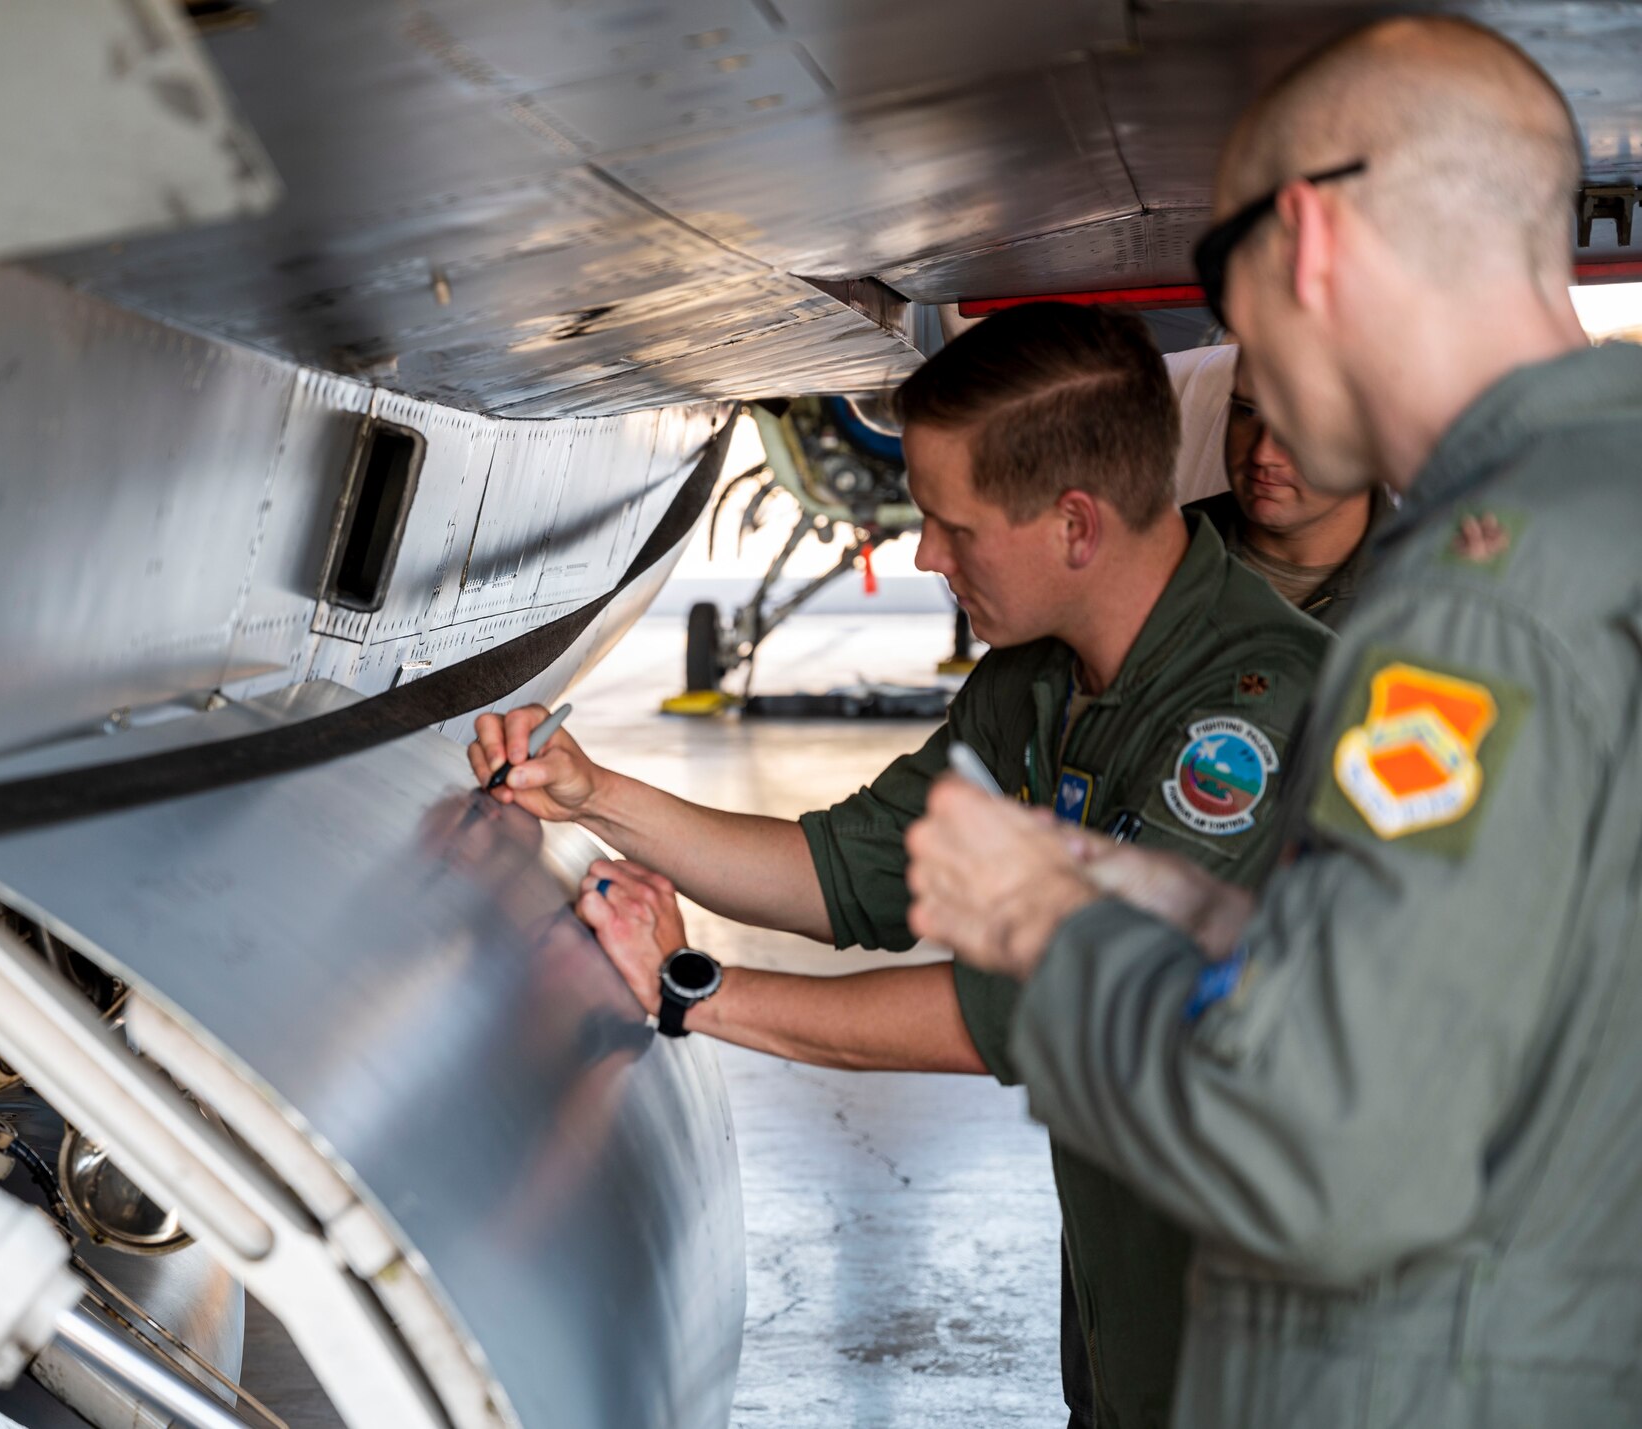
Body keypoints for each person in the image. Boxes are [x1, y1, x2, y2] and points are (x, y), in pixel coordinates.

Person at [905, 17, 1642, 1427]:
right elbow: (1527, 985)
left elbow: (1333, 1150)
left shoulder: (1474, 611)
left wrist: (1056, 943)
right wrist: (1164, 899)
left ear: (1305, 241)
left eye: (1226, 290)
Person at [470, 302, 1332, 1429]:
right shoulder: (1038, 681)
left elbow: (1037, 1011)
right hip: (1146, 1322)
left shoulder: (1253, 719)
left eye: (953, 526)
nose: (924, 554)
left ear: (1073, 525)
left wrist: (698, 993)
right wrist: (595, 796)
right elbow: (844, 873)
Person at [1187, 358, 1385, 625]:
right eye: (1248, 411)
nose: (1262, 454)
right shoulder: (1163, 548)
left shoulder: (1433, 598)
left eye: (1301, 422)